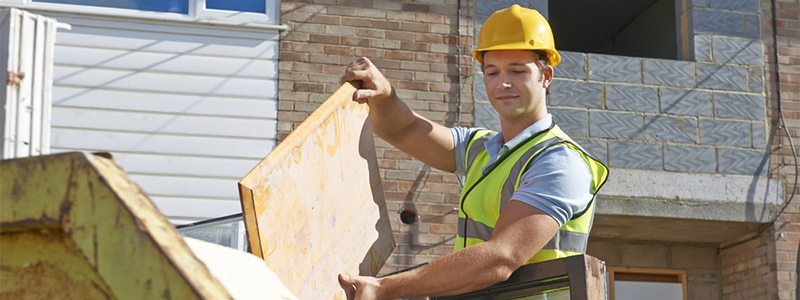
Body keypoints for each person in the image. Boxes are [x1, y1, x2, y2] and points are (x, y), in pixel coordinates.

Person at [337, 4, 609, 299]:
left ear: (546, 76)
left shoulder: (560, 162)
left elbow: (500, 258)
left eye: (517, 71)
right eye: (492, 72)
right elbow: (404, 130)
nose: (502, 83)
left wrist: (383, 289)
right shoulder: (482, 149)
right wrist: (385, 94)